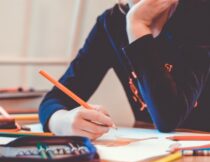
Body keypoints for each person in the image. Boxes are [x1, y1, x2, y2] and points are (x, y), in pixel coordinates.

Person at [39, 0, 210, 139]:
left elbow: (169, 119)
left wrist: (137, 26)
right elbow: (55, 98)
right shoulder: (112, 22)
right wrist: (62, 122)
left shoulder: (200, 16)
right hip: (152, 151)